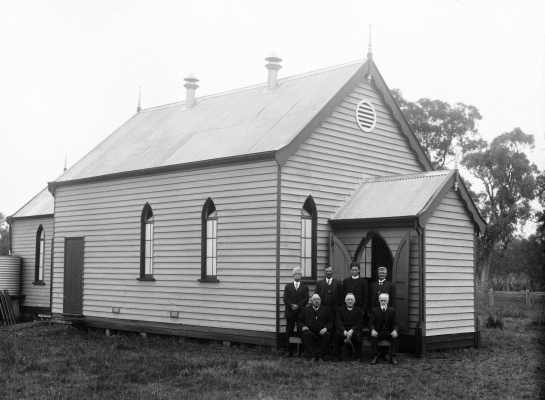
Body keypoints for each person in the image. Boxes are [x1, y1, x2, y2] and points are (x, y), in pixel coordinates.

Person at [283, 267, 309, 356]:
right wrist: (291, 305)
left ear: (301, 276)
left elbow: (306, 299)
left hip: (300, 313)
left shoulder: (305, 287)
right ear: (293, 275)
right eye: (296, 274)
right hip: (290, 312)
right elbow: (285, 298)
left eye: (299, 274)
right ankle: (289, 351)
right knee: (289, 331)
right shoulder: (288, 286)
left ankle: (300, 351)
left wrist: (298, 306)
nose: (297, 275)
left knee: (300, 331)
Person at [299, 294, 333, 360]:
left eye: (318, 299)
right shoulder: (305, 310)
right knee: (306, 334)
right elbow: (300, 321)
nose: (316, 301)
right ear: (311, 301)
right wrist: (303, 326)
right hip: (310, 331)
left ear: (320, 301)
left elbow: (330, 322)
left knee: (327, 335)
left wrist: (325, 328)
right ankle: (312, 355)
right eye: (314, 299)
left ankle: (320, 355)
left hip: (321, 331)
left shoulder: (326, 309)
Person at [369, 293, 399, 365]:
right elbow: (371, 323)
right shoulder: (374, 310)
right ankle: (375, 356)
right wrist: (372, 329)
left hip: (389, 332)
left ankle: (393, 357)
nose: (383, 302)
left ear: (387, 301)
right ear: (379, 301)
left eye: (385, 300)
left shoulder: (392, 310)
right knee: (373, 337)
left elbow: (396, 323)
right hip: (378, 332)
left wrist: (395, 330)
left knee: (394, 337)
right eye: (381, 300)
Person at [335, 293, 365, 361]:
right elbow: (338, 322)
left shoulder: (359, 310)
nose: (350, 301)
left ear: (354, 301)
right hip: (343, 329)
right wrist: (344, 331)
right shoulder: (340, 310)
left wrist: (352, 330)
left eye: (351, 300)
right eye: (348, 300)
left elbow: (359, 323)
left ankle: (357, 356)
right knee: (337, 335)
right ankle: (338, 355)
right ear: (345, 301)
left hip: (354, 330)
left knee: (358, 336)